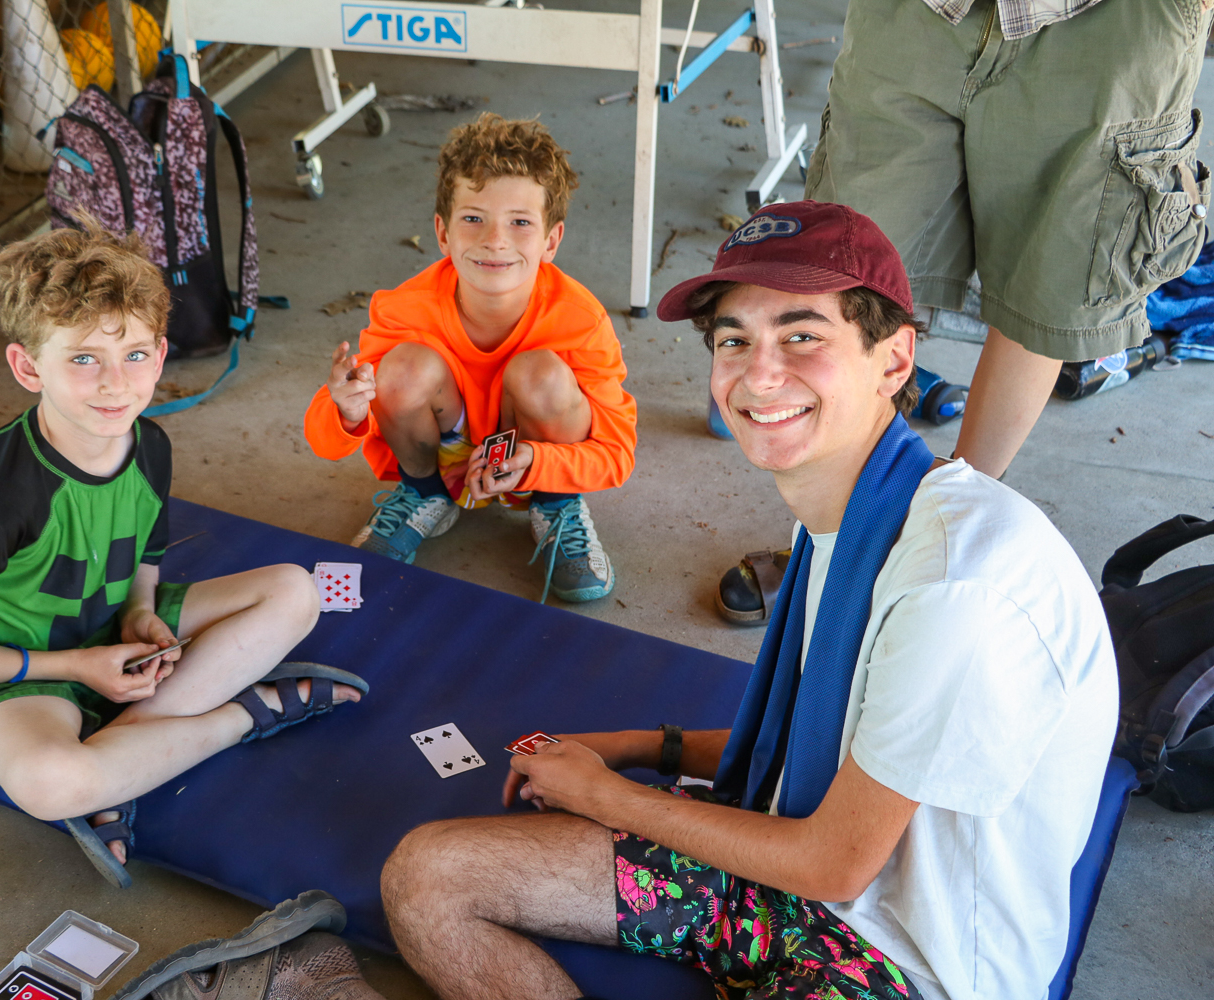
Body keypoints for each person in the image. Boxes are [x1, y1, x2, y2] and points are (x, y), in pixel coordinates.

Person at [380, 202, 1118, 1000]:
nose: (759, 375)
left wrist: (606, 796)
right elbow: (827, 743)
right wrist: (636, 746)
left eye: (802, 336)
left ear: (894, 359)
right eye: (734, 340)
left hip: (909, 962)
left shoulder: (954, 586)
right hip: (781, 865)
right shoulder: (848, 512)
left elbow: (834, 863)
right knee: (427, 876)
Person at [0, 223, 365, 888]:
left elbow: (147, 546)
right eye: (84, 359)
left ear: (161, 352)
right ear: (28, 368)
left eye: (135, 354)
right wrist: (75, 667)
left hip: (112, 633)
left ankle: (125, 758)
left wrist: (140, 612)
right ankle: (243, 715)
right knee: (51, 783)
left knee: (296, 590)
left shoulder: (148, 445)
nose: (117, 384)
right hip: (19, 671)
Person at [807, 0, 1210, 480]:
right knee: (844, 277)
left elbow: (1042, 312)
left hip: (1116, 25)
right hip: (919, 13)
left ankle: (960, 507)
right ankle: (845, 512)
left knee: (1047, 292)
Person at [303, 113, 637, 603]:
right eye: (474, 218)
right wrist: (347, 410)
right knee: (400, 369)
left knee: (542, 375)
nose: (495, 240)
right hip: (442, 451)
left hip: (530, 456)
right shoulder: (403, 308)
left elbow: (617, 453)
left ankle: (555, 504)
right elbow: (325, 439)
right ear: (443, 233)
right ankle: (425, 493)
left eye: (520, 222)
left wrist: (538, 461)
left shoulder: (581, 320)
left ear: (551, 241)